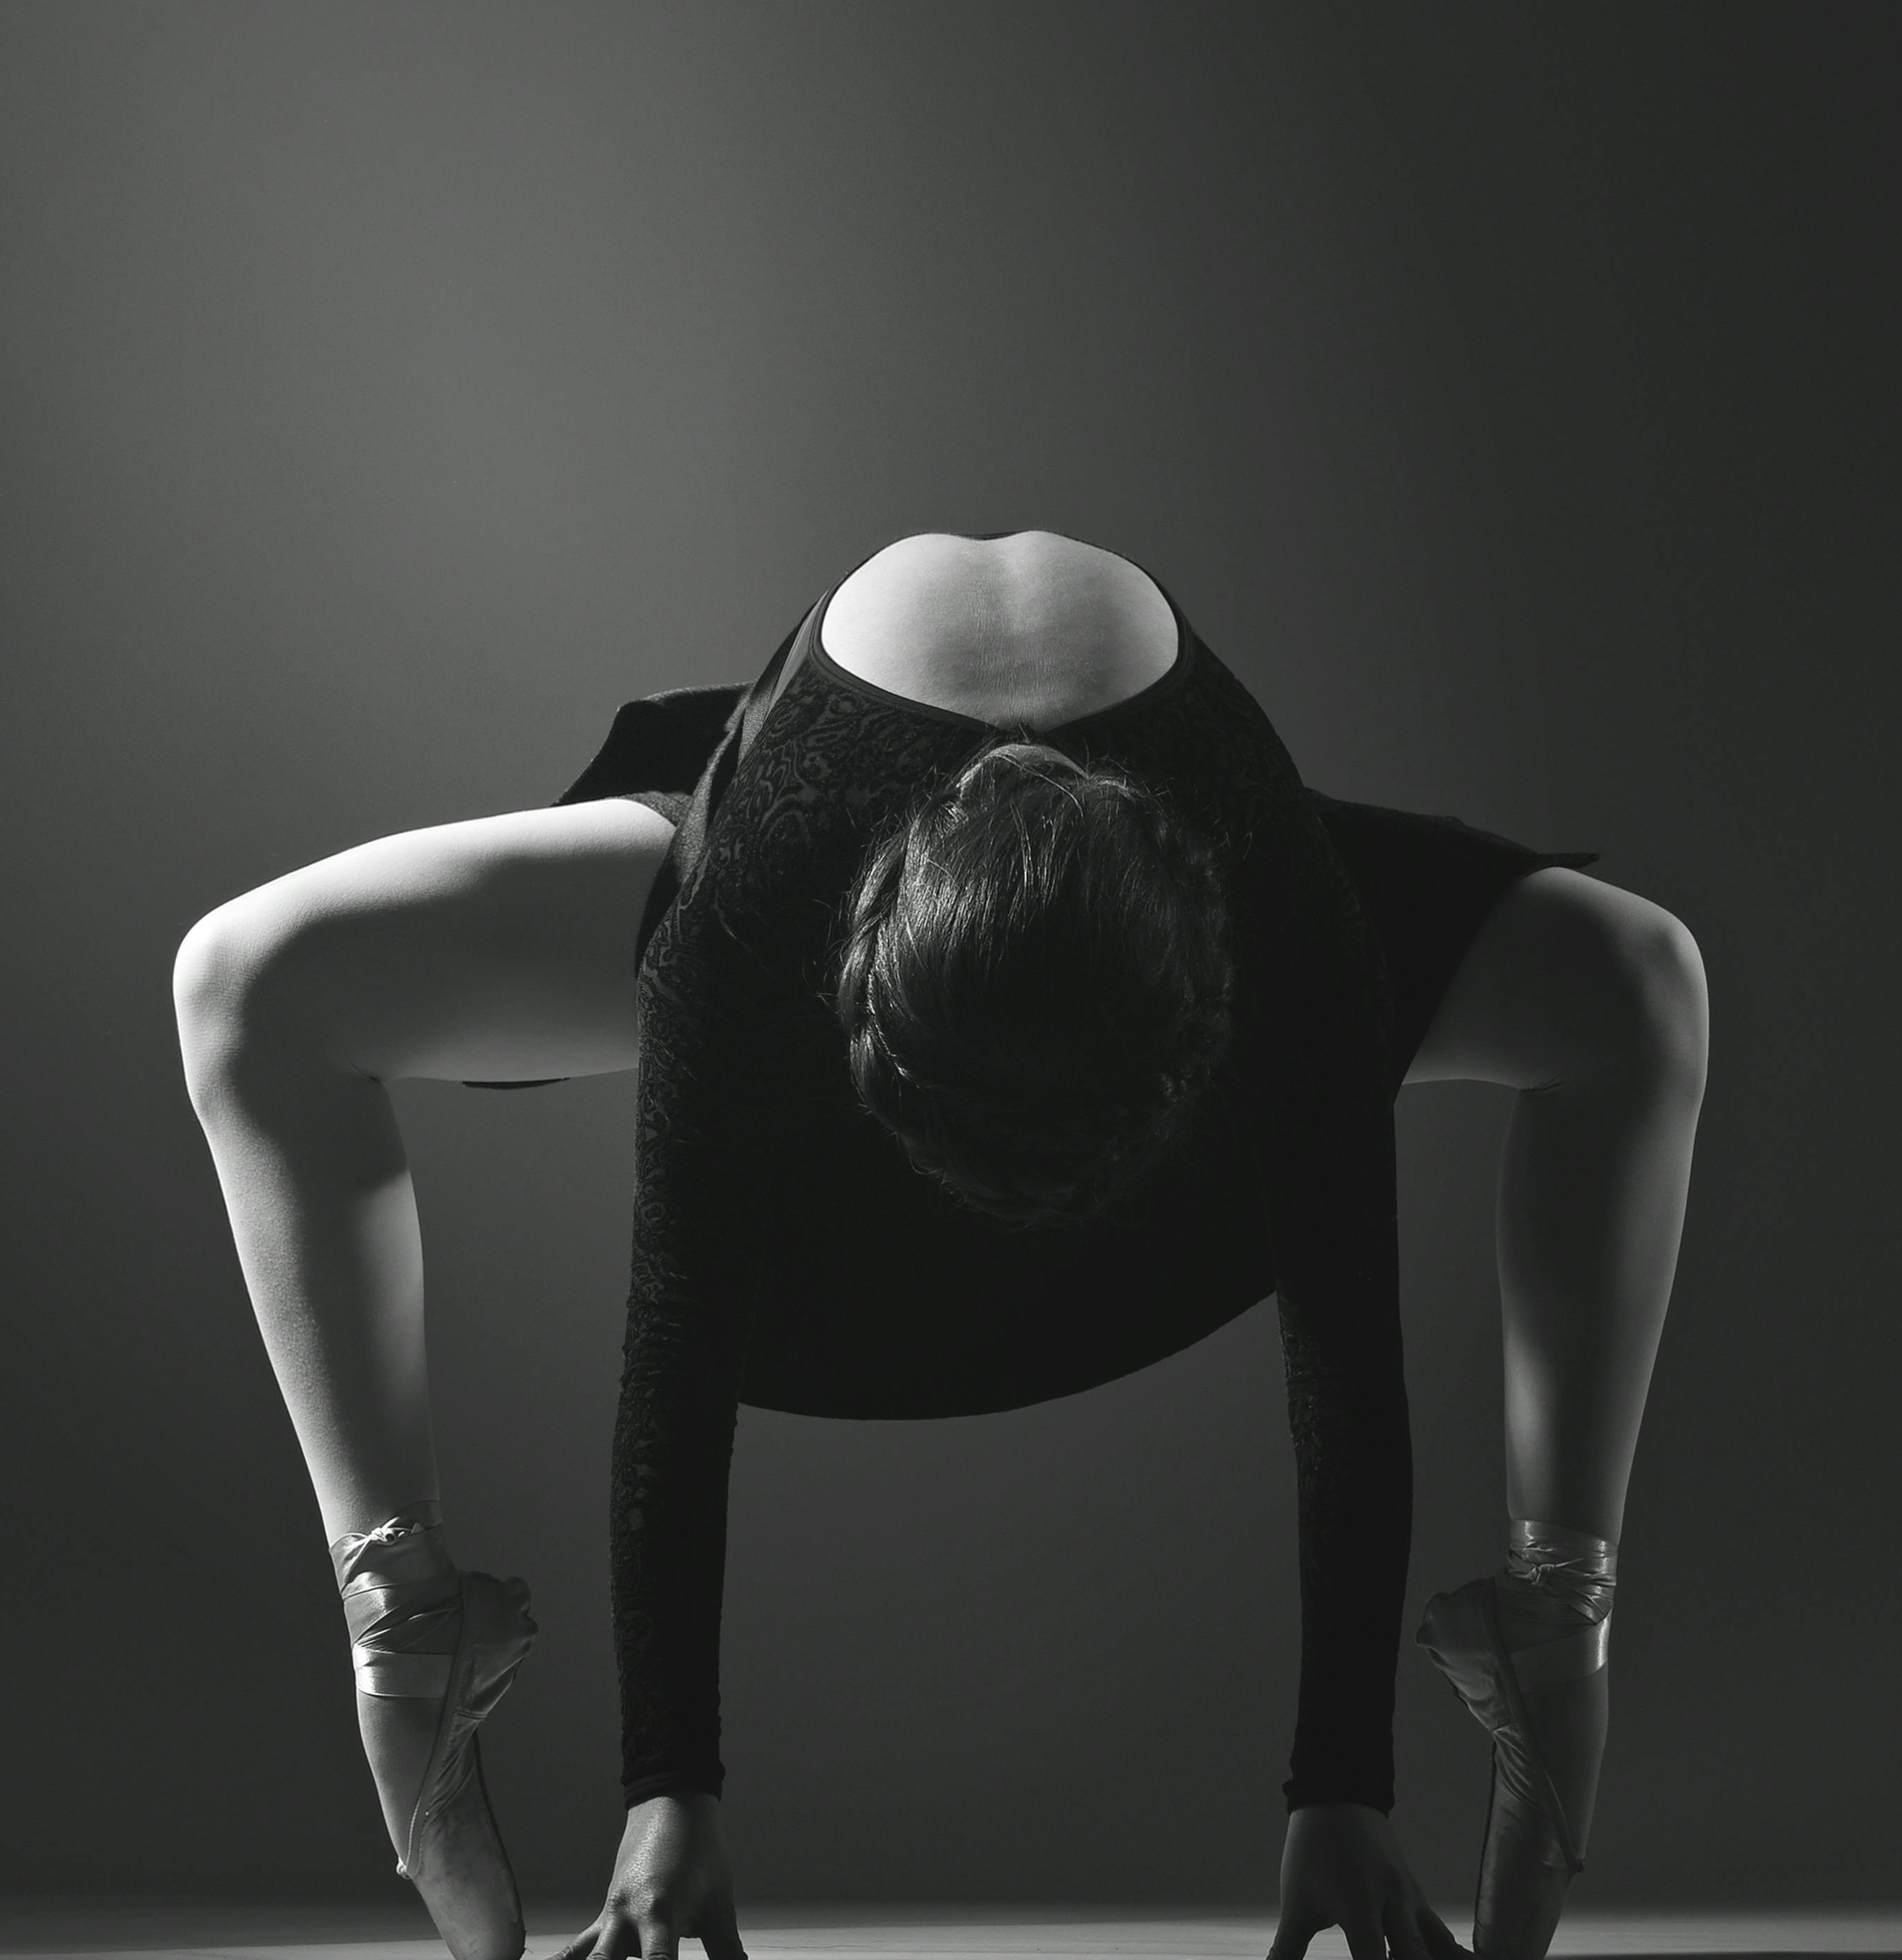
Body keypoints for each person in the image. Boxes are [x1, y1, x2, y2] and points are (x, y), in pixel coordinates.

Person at [173, 530, 1710, 1960]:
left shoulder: (1287, 922)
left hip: (1174, 864)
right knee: (245, 980)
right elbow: (679, 1327)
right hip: (826, 841)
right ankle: (404, 1607)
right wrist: (669, 1793)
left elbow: (1344, 1331)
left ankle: (1552, 1615)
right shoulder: (754, 910)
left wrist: (1343, 1794)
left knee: (1640, 979)